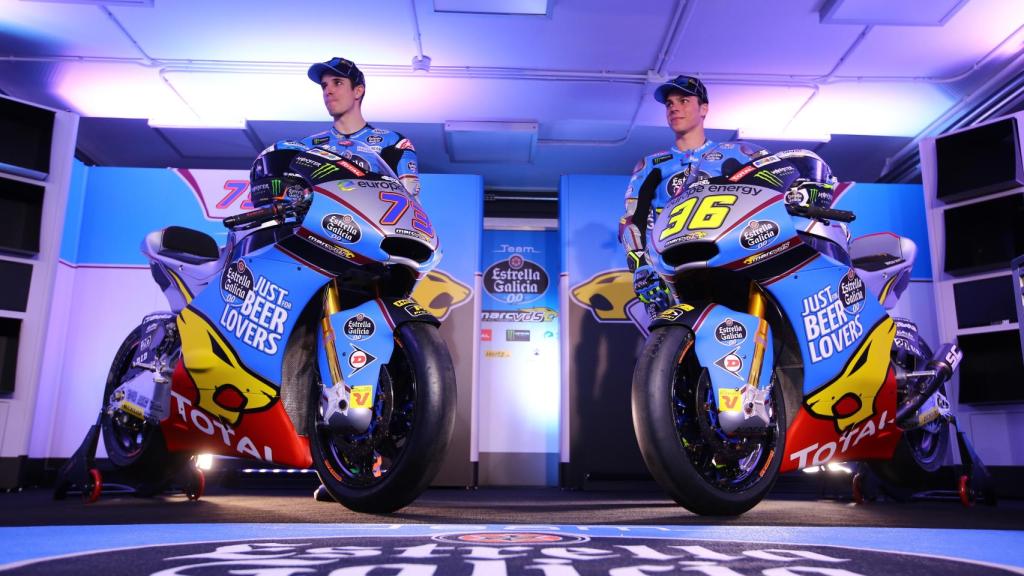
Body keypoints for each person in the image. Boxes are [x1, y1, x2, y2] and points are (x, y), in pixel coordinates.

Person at [619, 75, 767, 316]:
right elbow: (631, 219)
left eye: (684, 100)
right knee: (675, 347)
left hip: (732, 262)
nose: (674, 107)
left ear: (704, 108)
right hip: (673, 272)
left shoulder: (739, 153)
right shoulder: (650, 165)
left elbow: (781, 181)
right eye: (669, 103)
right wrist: (640, 266)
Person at [301, 57, 420, 197]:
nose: (328, 91)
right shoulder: (306, 146)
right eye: (324, 85)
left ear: (358, 91)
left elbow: (411, 201)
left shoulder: (393, 142)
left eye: (337, 83)